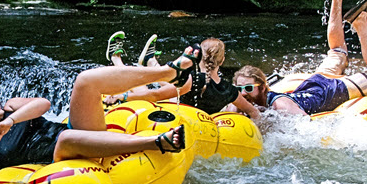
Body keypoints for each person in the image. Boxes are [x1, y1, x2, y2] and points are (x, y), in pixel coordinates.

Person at [0, 47, 200, 176]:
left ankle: (168, 72)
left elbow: (43, 104)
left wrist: (11, 120)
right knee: (65, 140)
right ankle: (156, 142)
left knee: (85, 80)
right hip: (57, 156)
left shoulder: (11, 107)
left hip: (75, 130)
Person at [232, 0, 367, 116]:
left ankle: (360, 22)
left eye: (248, 87)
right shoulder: (245, 101)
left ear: (262, 88)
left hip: (331, 91)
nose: (243, 93)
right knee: (337, 51)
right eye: (239, 89)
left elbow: (306, 124)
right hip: (311, 85)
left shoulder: (280, 105)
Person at [103, 33, 261, 120]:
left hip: (177, 117)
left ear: (198, 57)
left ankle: (117, 59)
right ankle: (150, 62)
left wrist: (122, 97)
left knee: (145, 84)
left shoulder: (192, 79)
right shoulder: (230, 90)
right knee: (173, 85)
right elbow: (254, 113)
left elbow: (154, 95)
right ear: (223, 60)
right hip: (199, 125)